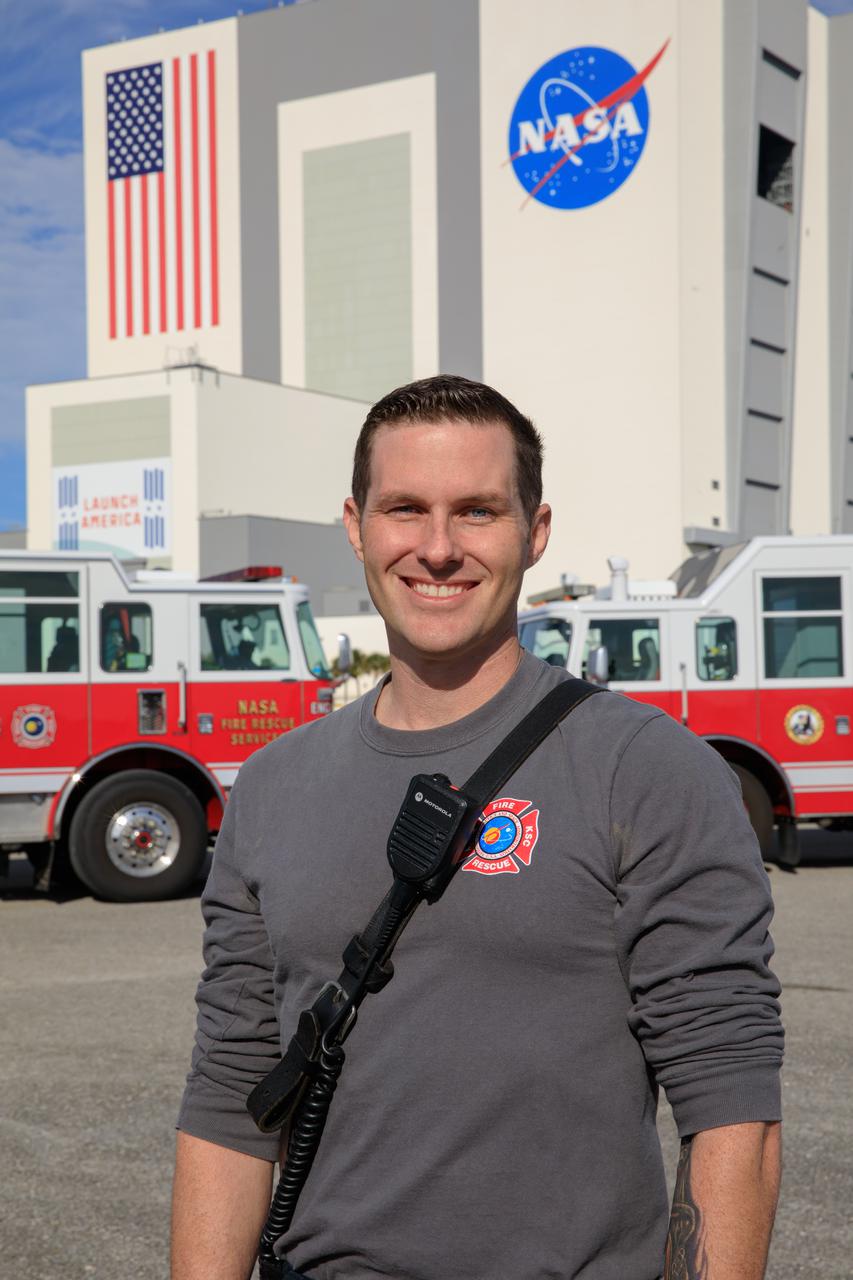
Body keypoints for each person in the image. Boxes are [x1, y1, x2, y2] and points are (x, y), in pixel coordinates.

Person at [172, 375, 783, 1280]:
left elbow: (730, 1098)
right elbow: (232, 1097)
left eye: (478, 512)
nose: (438, 548)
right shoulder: (271, 786)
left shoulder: (646, 769)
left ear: (534, 532)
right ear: (356, 525)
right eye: (404, 509)